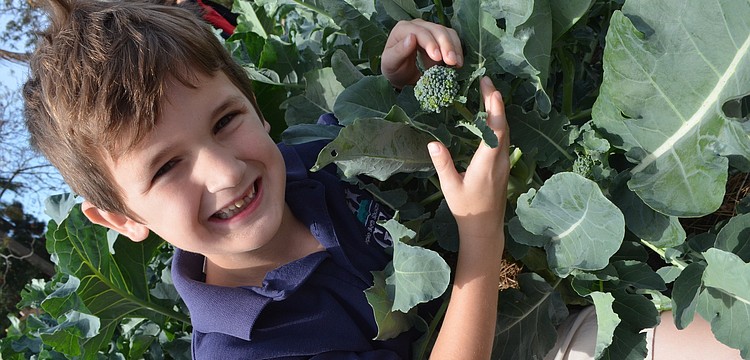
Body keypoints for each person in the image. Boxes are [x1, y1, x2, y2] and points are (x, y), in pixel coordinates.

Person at [23, 0, 507, 358]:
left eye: (225, 122)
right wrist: (482, 233)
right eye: (167, 167)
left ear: (254, 105)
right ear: (118, 217)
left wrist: (397, 82)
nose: (227, 171)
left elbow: (366, 140)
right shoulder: (245, 348)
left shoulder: (309, 162)